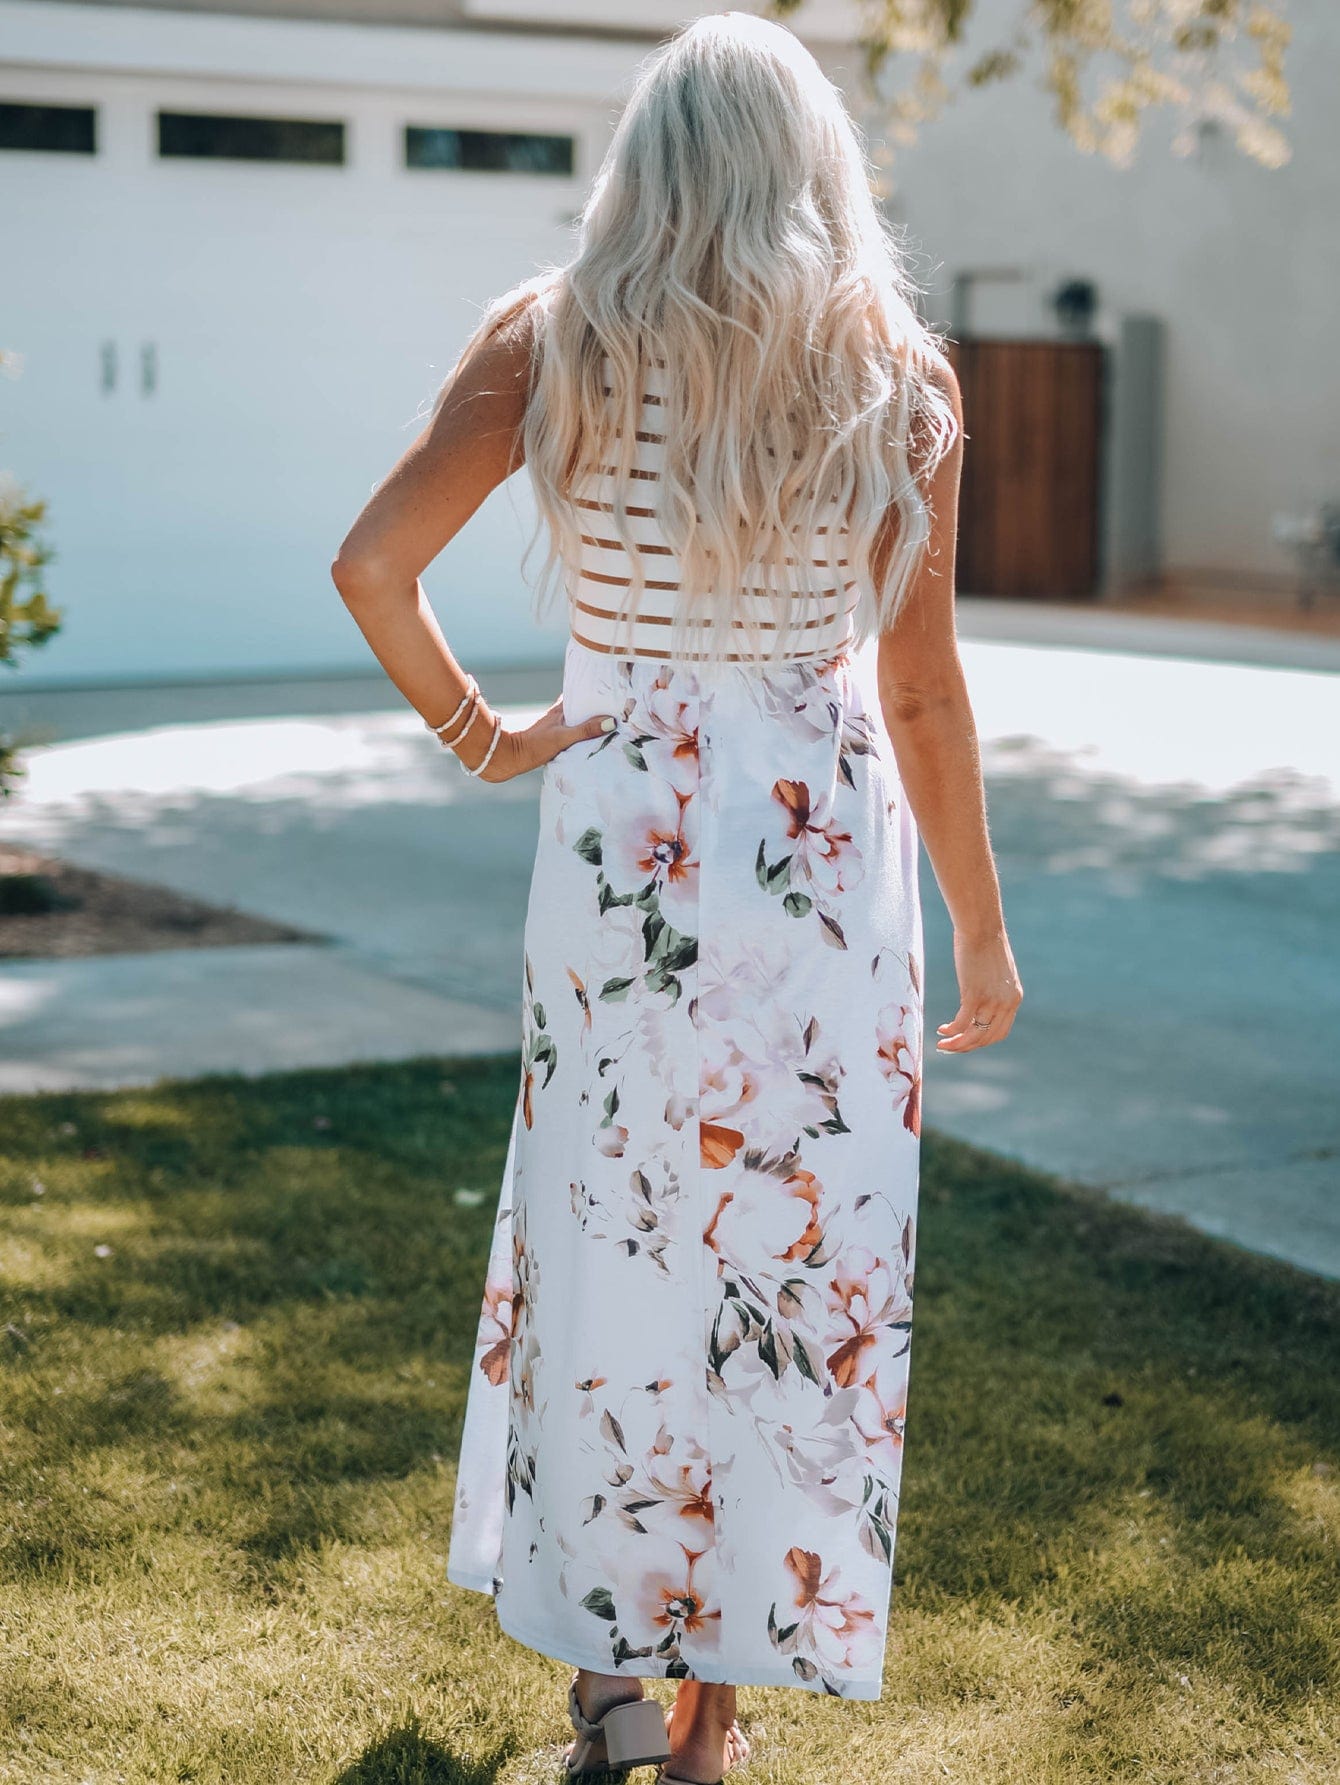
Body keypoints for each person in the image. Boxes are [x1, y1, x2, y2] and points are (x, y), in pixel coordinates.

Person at [331, 12, 1022, 1780]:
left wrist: (490, 737)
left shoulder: (551, 338)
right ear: (820, 169)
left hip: (619, 861)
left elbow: (373, 563)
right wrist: (985, 932)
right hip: (817, 876)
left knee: (613, 1235)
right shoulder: (901, 377)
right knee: (791, 1264)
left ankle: (612, 1689)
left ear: (646, 162)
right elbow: (924, 687)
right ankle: (712, 1722)